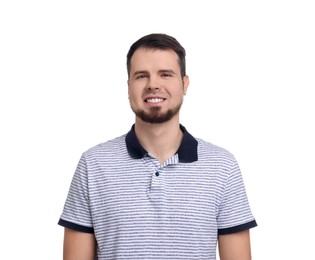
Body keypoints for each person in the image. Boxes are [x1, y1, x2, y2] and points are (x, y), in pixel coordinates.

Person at [58, 33, 257, 260]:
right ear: (129, 86)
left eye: (165, 74)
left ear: (184, 84)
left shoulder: (222, 167)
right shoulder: (92, 165)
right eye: (142, 76)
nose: (153, 84)